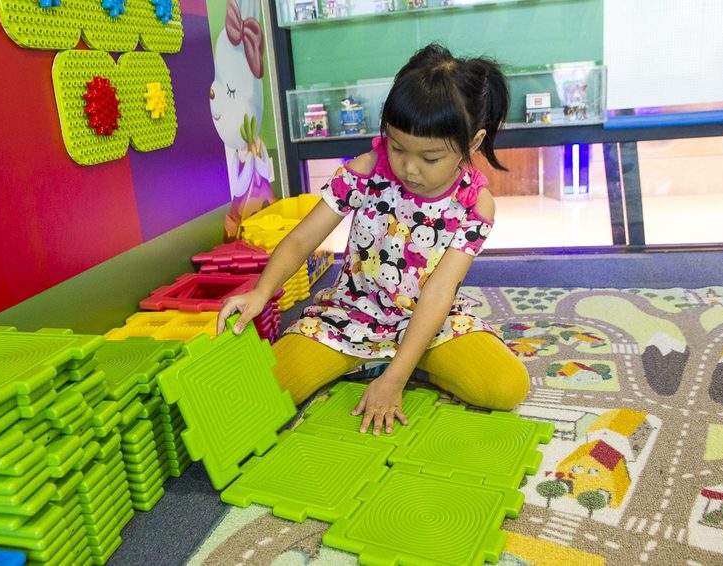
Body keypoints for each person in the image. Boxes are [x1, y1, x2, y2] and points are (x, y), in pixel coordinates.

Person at [217, 43, 529, 436]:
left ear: (473, 141)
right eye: (398, 147)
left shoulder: (474, 204)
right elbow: (301, 239)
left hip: (429, 323)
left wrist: (395, 380)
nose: (409, 168)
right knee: (262, 392)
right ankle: (374, 362)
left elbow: (438, 292)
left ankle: (406, 364)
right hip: (350, 316)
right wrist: (261, 292)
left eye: (430, 158)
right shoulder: (364, 172)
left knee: (506, 386)